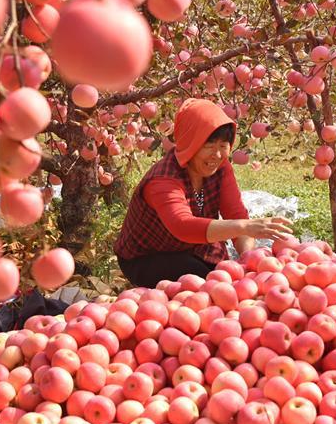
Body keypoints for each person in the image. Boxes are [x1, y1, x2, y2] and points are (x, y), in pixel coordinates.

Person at [113, 98, 293, 287]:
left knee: (228, 277)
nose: (216, 155)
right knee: (207, 283)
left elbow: (237, 214)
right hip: (148, 256)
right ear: (191, 143)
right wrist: (244, 227)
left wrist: (250, 262)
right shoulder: (163, 180)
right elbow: (182, 225)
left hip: (196, 247)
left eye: (223, 146)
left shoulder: (221, 168)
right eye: (209, 146)